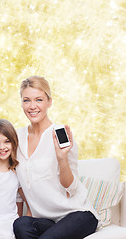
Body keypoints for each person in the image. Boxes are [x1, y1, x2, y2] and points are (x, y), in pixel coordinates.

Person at [13, 76, 99, 239]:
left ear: (49, 102)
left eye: (39, 100)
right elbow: (20, 184)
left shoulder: (60, 135)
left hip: (78, 215)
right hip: (48, 221)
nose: (32, 106)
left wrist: (62, 158)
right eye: (26, 100)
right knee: (21, 224)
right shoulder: (17, 138)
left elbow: (71, 188)